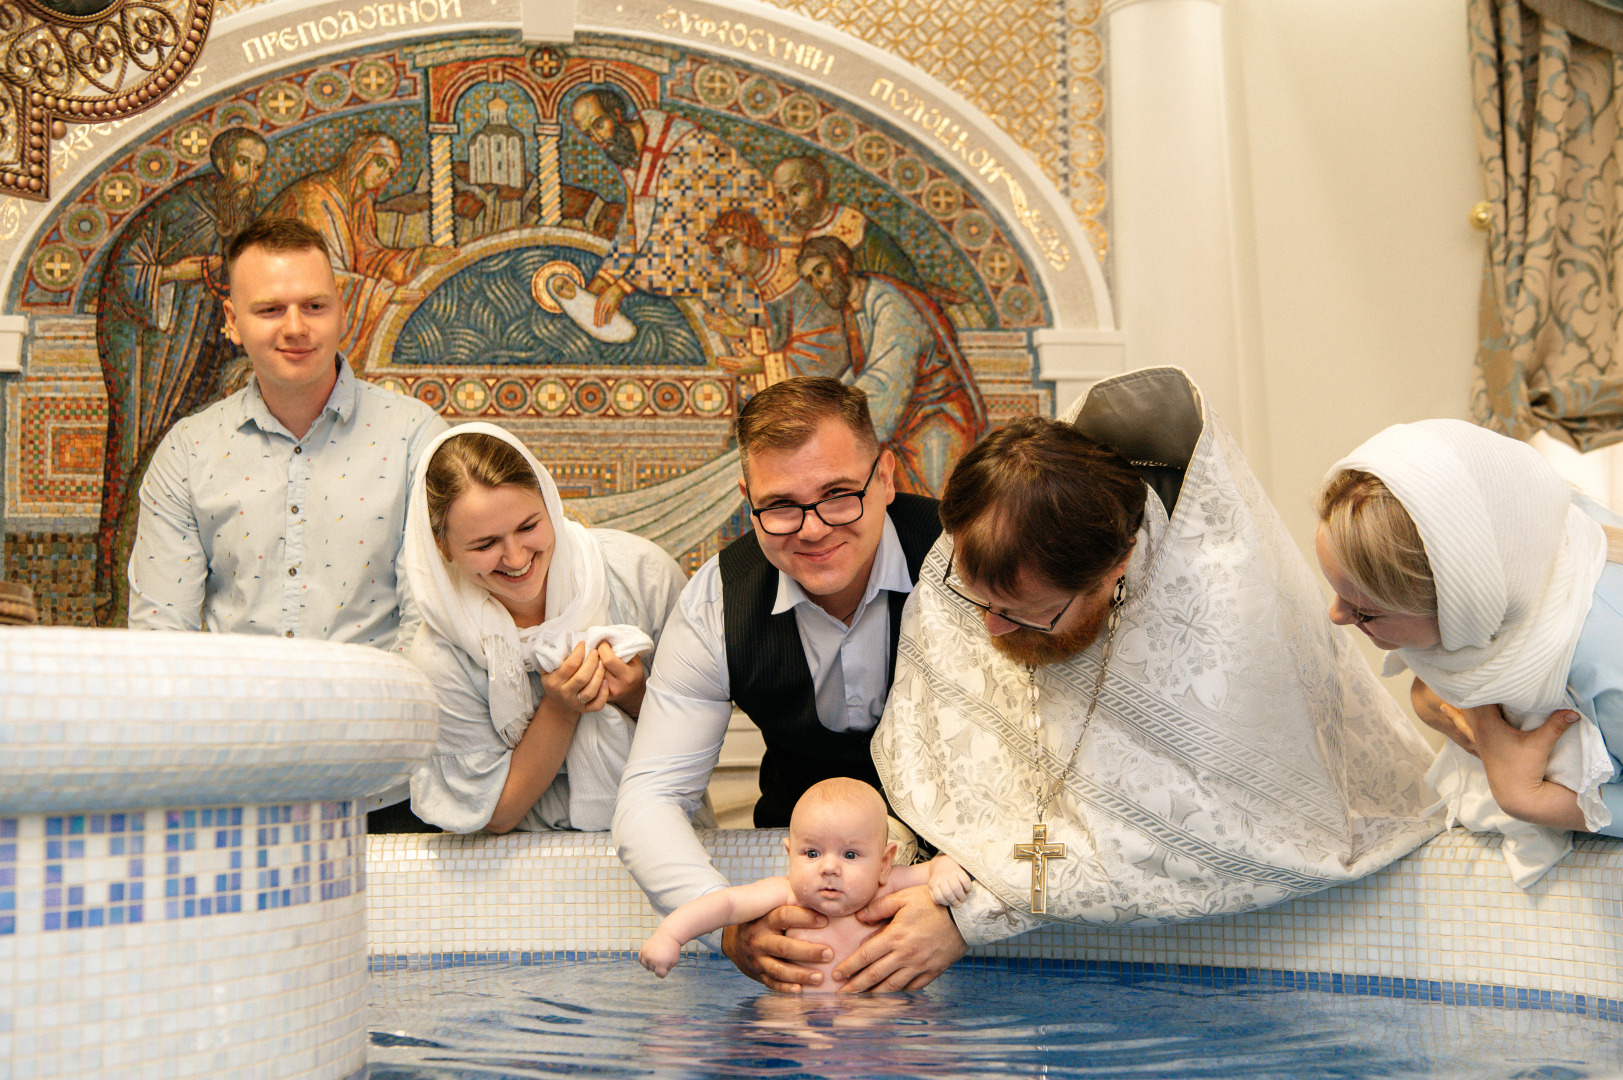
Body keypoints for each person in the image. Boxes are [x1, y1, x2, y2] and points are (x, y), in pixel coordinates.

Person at [870, 366, 1441, 981]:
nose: (992, 631)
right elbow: (934, 760)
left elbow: (1205, 844)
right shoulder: (972, 564)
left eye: (1027, 615)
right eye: (979, 602)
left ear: (1118, 566)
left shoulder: (1220, 618)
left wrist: (976, 914)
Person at [614, 376, 943, 992]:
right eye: (781, 505)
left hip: (949, 871)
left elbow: (1041, 765)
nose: (813, 529)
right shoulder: (716, 600)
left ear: (886, 476)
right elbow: (650, 797)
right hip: (800, 886)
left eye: (840, 494)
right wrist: (727, 926)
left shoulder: (965, 558)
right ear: (748, 499)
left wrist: (967, 912)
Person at [1317, 419, 1623, 886]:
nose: (1335, 616)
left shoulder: (1606, 666)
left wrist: (1528, 798)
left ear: (1464, 608)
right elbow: (1437, 683)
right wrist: (1440, 702)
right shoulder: (1526, 540)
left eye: (1366, 614)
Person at [126, 216, 445, 653]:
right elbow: (161, 635)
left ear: (342, 312)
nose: (295, 328)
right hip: (236, 715)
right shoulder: (187, 452)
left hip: (377, 710)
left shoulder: (416, 438)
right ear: (233, 321)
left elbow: (429, 622)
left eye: (314, 306)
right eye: (270, 309)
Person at [402, 423, 687, 833]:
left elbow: (700, 744)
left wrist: (638, 697)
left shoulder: (643, 576)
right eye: (485, 545)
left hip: (666, 836)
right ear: (442, 547)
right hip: (524, 872)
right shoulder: (440, 656)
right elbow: (493, 815)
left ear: (551, 503)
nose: (516, 557)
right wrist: (558, 710)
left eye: (528, 526)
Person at [94, 127, 269, 625]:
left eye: (258, 167)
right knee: (141, 449)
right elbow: (126, 273)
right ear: (221, 162)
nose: (250, 176)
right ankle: (113, 579)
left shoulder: (248, 222)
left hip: (212, 350)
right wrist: (176, 273)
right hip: (161, 355)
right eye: (243, 163)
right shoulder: (180, 208)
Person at [639, 778, 969, 987]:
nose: (829, 867)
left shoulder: (889, 885)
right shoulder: (786, 894)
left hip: (877, 1021)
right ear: (790, 854)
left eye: (850, 855)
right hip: (794, 1021)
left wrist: (944, 869)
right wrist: (671, 934)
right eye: (811, 853)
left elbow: (939, 867)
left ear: (884, 862)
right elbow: (726, 905)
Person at [796, 236, 987, 497]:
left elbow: (884, 380)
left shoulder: (889, 305)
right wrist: (824, 403)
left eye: (820, 271)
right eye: (810, 279)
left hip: (934, 419)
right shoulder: (857, 304)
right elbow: (864, 370)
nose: (819, 284)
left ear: (840, 262)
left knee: (935, 514)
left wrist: (828, 426)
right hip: (905, 423)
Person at [568, 86, 762, 326]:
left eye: (599, 125)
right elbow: (633, 228)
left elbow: (677, 235)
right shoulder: (630, 155)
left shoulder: (683, 144)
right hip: (709, 272)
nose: (598, 139)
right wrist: (604, 278)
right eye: (589, 134)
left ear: (617, 114)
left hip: (744, 266)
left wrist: (621, 287)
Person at [262, 131, 454, 356]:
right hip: (280, 309)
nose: (383, 175)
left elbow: (369, 259)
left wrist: (417, 258)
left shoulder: (361, 206)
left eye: (390, 172)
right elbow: (316, 274)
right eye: (380, 163)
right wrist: (382, 294)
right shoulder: (315, 197)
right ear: (360, 157)